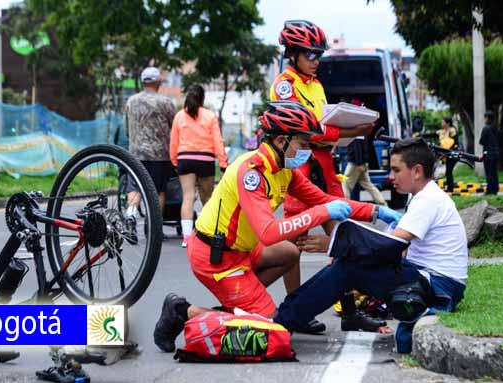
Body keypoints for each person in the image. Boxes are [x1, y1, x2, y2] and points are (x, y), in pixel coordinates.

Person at [153, 101, 403, 353]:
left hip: (242, 251)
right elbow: (268, 232)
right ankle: (182, 311)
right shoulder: (251, 172)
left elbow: (325, 200)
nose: (308, 151)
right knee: (271, 330)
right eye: (303, 144)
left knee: (289, 253)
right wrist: (320, 214)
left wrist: (376, 211)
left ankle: (240, 305)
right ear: (283, 141)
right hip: (216, 259)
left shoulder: (283, 169)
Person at [273, 137, 468, 354]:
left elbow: (387, 246)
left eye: (396, 170)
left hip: (439, 287)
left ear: (417, 171)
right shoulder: (425, 196)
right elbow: (392, 249)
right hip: (434, 281)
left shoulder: (428, 200)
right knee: (349, 262)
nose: (390, 177)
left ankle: (281, 323)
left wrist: (334, 244)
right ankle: (286, 317)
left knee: (347, 269)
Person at [270, 20, 376, 326]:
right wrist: (350, 129)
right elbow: (302, 129)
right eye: (310, 54)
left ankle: (349, 311)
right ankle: (296, 312)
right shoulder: (284, 85)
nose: (316, 61)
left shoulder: (315, 84)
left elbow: (321, 124)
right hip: (299, 167)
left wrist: (347, 129)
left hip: (326, 167)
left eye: (319, 55)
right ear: (293, 53)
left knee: (344, 234)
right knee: (294, 242)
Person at [170, 85, 228, 248]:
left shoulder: (179, 116)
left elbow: (173, 141)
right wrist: (223, 162)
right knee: (207, 198)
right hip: (205, 159)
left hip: (185, 159)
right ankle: (208, 234)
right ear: (202, 99)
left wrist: (174, 161)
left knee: (188, 197)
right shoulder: (210, 116)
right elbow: (218, 140)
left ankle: (187, 237)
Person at [125, 66, 176, 241]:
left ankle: (130, 214)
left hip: (135, 153)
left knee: (134, 186)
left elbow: (127, 128)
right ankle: (153, 228)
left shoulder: (131, 101)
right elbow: (174, 126)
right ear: (157, 82)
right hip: (159, 154)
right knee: (158, 191)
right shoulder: (165, 102)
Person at [342, 136, 386, 204]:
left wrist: (359, 163)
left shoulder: (356, 134)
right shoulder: (362, 134)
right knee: (368, 185)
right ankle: (382, 203)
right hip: (362, 163)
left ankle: (345, 204)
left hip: (354, 164)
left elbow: (357, 148)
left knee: (345, 184)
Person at [479, 110, 500, 195]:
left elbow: (481, 141)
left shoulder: (486, 128)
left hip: (488, 153)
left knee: (489, 172)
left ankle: (490, 190)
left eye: (485, 118)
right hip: (496, 153)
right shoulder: (495, 128)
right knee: (494, 172)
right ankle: (495, 189)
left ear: (487, 118)